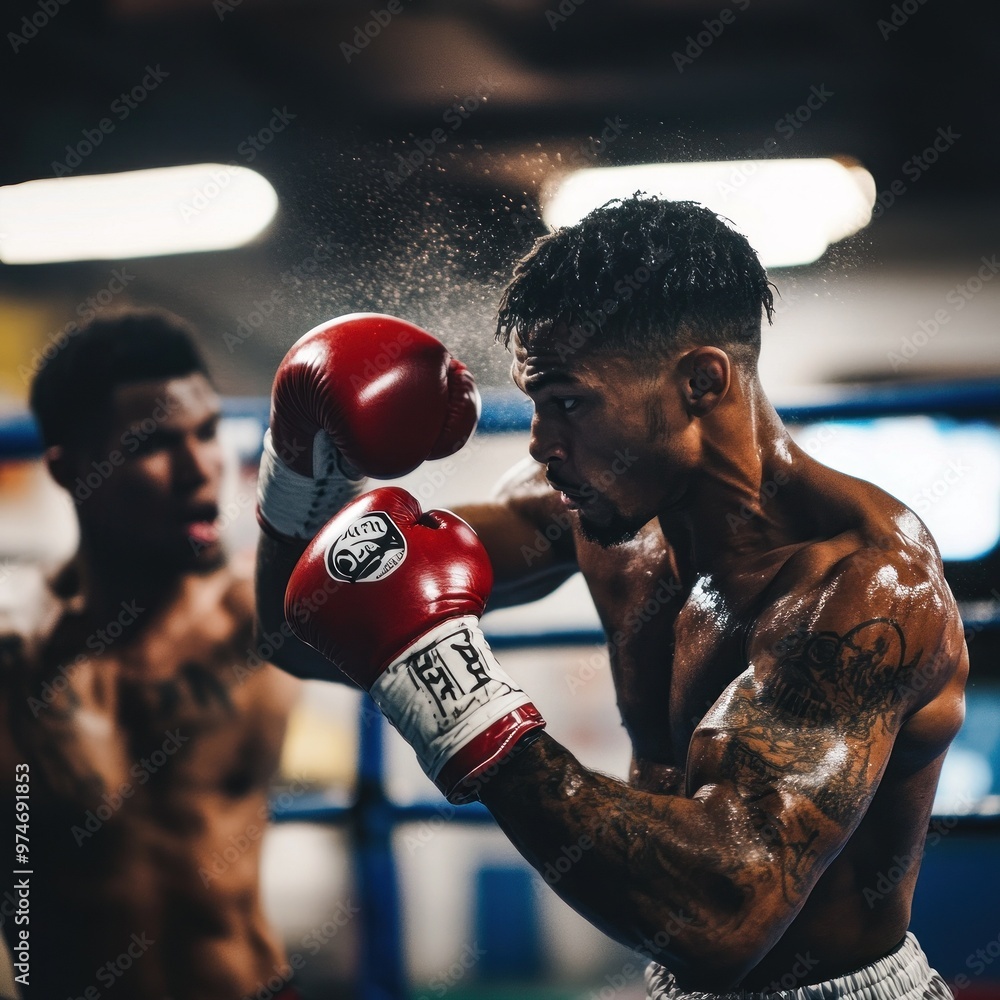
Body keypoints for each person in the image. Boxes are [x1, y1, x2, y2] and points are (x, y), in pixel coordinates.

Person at [262, 197, 968, 999]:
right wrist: (296, 477)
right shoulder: (596, 514)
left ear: (701, 381)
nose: (538, 441)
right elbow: (302, 633)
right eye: (535, 401)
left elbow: (728, 912)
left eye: (567, 401)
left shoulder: (865, 586)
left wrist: (458, 698)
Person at [0, 310, 301, 1000]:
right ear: (70, 471)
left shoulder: (268, 614)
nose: (201, 467)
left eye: (205, 431)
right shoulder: (18, 662)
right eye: (153, 444)